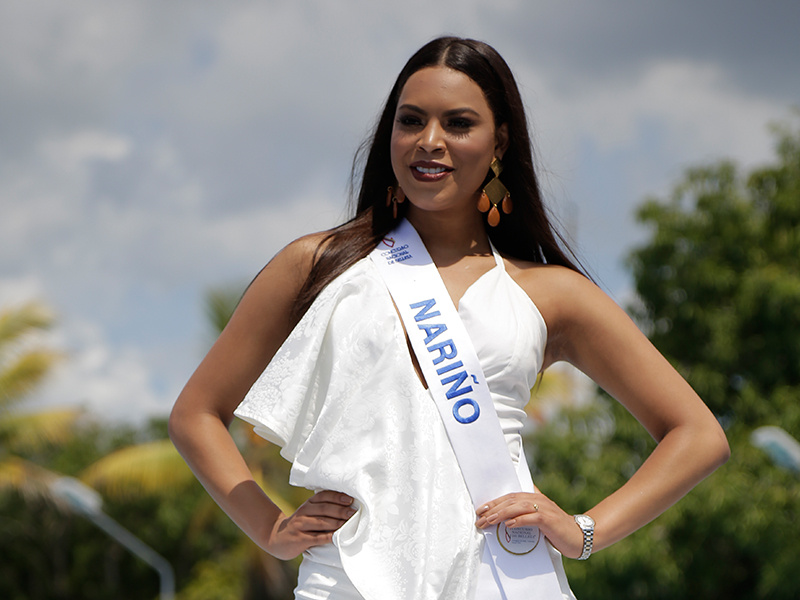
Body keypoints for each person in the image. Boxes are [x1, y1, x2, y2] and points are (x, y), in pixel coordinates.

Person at [169, 37, 729, 599]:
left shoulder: (549, 293)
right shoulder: (318, 266)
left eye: (458, 124)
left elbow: (698, 435)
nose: (429, 142)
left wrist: (586, 531)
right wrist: (269, 528)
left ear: (499, 142)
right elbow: (196, 414)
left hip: (498, 577)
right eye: (410, 121)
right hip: (348, 581)